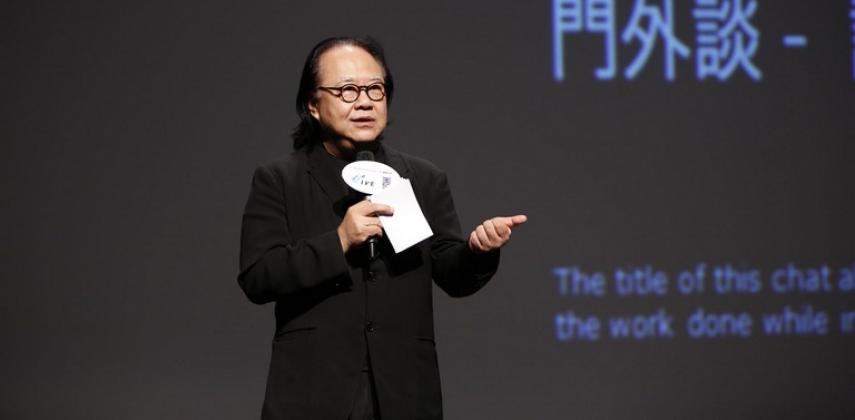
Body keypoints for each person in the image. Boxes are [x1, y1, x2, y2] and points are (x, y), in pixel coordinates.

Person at [238, 36, 526, 420]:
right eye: (347, 90)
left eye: (375, 88)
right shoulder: (280, 179)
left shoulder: (422, 178)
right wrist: (339, 241)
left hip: (404, 392)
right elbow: (258, 276)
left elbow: (453, 275)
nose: (365, 101)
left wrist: (478, 251)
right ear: (313, 105)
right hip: (313, 391)